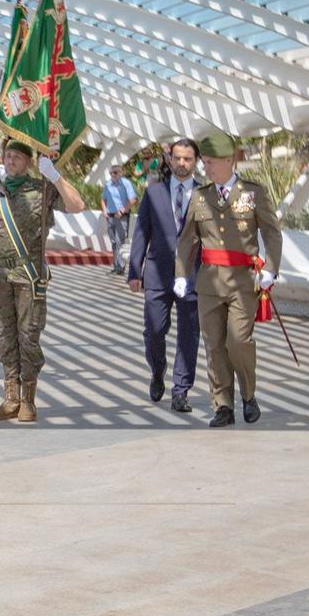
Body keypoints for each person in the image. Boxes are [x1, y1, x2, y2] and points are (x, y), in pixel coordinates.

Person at [0, 139, 85, 424]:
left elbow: (77, 205)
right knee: (5, 337)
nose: (10, 161)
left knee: (28, 337)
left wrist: (55, 177)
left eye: (17, 157)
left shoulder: (41, 189)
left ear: (29, 162)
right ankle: (10, 397)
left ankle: (28, 400)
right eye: (7, 156)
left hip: (29, 276)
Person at [176, 130, 283, 428]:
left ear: (228, 161)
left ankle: (248, 396)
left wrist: (271, 269)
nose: (205, 168)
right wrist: (181, 274)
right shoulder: (200, 197)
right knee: (214, 345)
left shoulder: (253, 193)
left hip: (242, 282)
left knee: (238, 341)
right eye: (205, 162)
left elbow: (272, 233)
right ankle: (222, 404)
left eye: (210, 162)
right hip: (209, 283)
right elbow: (187, 240)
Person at [127, 136, 202, 414]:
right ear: (170, 159)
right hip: (157, 273)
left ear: (195, 162)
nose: (182, 163)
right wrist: (135, 270)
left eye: (188, 158)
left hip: (193, 274)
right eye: (178, 157)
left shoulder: (203, 194)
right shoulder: (154, 192)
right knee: (155, 330)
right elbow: (141, 232)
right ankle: (157, 370)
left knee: (189, 334)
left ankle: (181, 389)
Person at [102, 165, 137, 275]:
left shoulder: (126, 184)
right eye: (111, 173)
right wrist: (104, 210)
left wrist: (122, 211)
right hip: (110, 216)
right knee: (113, 242)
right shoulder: (108, 185)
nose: (113, 175)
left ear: (121, 172)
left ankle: (120, 267)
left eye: (115, 172)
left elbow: (133, 200)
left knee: (119, 242)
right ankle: (116, 266)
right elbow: (103, 199)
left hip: (121, 217)